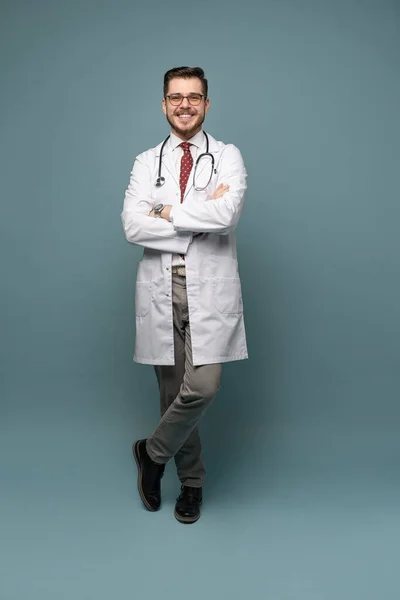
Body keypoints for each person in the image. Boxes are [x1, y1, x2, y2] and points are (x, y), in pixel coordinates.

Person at [121, 66, 248, 524]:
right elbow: (133, 225)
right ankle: (190, 485)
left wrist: (165, 212)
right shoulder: (144, 161)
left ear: (206, 105)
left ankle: (151, 454)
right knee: (172, 391)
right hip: (162, 285)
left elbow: (227, 213)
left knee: (203, 385)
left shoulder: (227, 156)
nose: (185, 105)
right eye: (176, 97)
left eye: (194, 97)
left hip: (209, 288)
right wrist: (194, 218)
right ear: (164, 104)